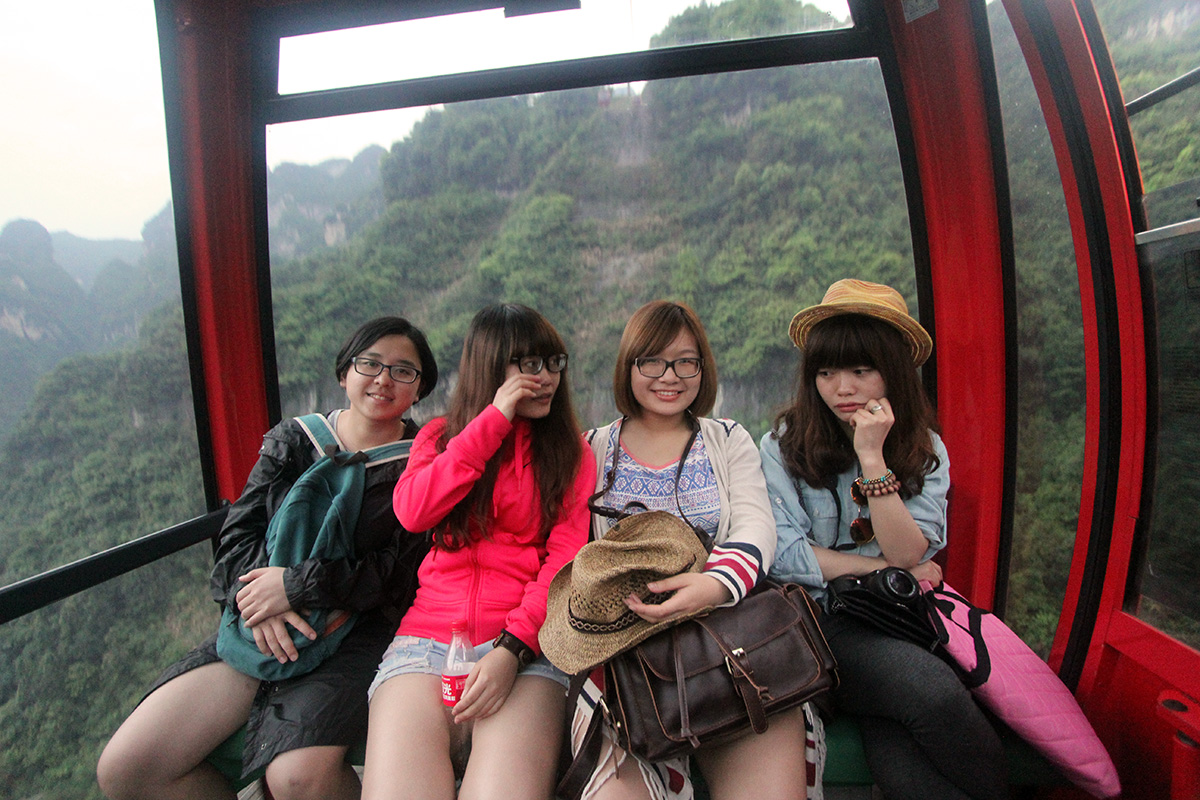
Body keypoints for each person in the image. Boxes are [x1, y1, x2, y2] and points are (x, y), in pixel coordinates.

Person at [97, 316, 439, 800]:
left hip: (357, 633)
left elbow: (400, 574)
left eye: (403, 371)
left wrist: (294, 588)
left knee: (297, 778)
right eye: (370, 364)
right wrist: (258, 602)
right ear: (345, 372)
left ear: (420, 388)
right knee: (127, 768)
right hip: (260, 620)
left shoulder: (426, 463)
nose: (383, 379)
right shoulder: (295, 440)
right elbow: (239, 532)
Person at [560, 299, 820, 800]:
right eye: (652, 362)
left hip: (728, 645)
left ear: (703, 368)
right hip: (624, 658)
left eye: (685, 362)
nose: (670, 377)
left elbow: (756, 526)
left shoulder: (727, 440)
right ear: (628, 366)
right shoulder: (591, 448)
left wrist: (714, 586)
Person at [761, 279, 1008, 800]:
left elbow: (910, 550)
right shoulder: (782, 446)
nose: (842, 388)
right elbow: (785, 556)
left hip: (897, 619)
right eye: (826, 372)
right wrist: (887, 572)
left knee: (906, 776)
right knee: (934, 695)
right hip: (819, 624)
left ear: (892, 371)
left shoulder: (923, 448)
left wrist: (872, 458)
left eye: (860, 370)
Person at [361, 304, 595, 800]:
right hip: (426, 643)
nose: (546, 378)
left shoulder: (571, 454)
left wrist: (513, 649)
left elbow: (565, 563)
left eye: (554, 363)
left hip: (525, 651)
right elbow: (413, 511)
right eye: (529, 365)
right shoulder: (440, 438)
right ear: (491, 368)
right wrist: (493, 423)